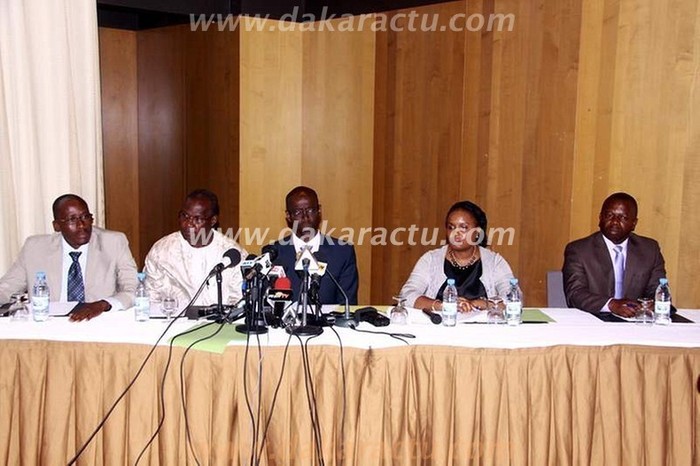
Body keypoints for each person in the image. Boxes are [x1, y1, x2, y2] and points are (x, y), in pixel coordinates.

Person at [0, 194, 138, 321]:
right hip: (48, 326)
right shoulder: (35, 248)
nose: (82, 225)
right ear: (57, 226)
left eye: (85, 217)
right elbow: (7, 287)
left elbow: (133, 289)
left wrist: (103, 305)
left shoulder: (113, 242)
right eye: (72, 220)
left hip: (98, 322)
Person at [562, 192, 670, 317]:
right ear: (600, 218)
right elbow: (575, 294)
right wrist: (611, 305)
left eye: (623, 218)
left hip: (636, 323)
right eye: (609, 215)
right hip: (593, 320)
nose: (614, 222)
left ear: (634, 223)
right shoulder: (579, 250)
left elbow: (657, 289)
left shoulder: (649, 249)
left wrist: (653, 303)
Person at [400, 201, 514, 312]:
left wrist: (476, 304)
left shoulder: (494, 262)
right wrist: (443, 306)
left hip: (482, 329)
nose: (456, 233)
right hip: (440, 328)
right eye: (451, 227)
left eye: (463, 227)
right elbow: (407, 295)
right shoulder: (430, 259)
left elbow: (513, 298)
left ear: (478, 232)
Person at [144, 189, 248, 306]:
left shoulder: (232, 254)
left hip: (220, 322)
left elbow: (239, 302)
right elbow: (151, 298)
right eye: (185, 216)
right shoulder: (162, 251)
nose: (188, 224)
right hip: (173, 321)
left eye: (197, 219)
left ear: (213, 220)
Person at [272, 186, 359, 305]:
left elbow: (347, 304)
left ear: (319, 210)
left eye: (310, 210)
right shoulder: (275, 253)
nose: (305, 217)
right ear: (288, 216)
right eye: (298, 212)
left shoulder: (342, 252)